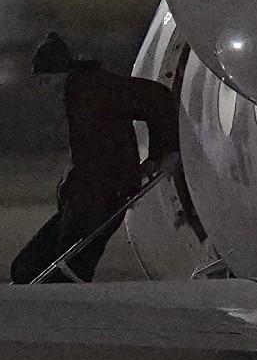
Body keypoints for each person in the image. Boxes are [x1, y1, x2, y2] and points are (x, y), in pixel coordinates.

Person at [10, 33, 180, 284]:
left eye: (46, 81)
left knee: (59, 263)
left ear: (61, 74)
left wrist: (165, 153)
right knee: (39, 263)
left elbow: (156, 97)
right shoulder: (79, 94)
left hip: (102, 195)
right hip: (89, 194)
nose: (44, 89)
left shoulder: (96, 90)